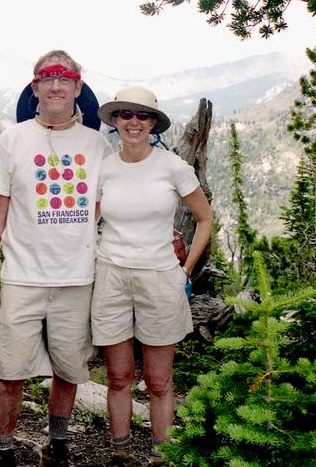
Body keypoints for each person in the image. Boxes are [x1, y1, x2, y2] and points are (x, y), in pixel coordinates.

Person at [0, 50, 112, 467]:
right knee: (11, 370)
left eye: (63, 79)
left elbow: (112, 202)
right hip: (22, 276)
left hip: (77, 276)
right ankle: (3, 451)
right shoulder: (13, 139)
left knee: (69, 370)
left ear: (77, 86)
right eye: (46, 79)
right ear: (35, 87)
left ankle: (57, 445)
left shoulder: (96, 144)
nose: (55, 86)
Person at [92, 86, 213, 467]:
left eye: (142, 116)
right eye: (125, 114)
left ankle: (163, 456)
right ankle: (120, 453)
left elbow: (205, 218)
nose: (133, 122)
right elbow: (87, 222)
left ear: (153, 123)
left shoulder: (173, 166)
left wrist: (186, 270)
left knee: (159, 381)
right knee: (118, 376)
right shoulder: (104, 168)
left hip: (160, 278)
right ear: (114, 121)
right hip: (111, 275)